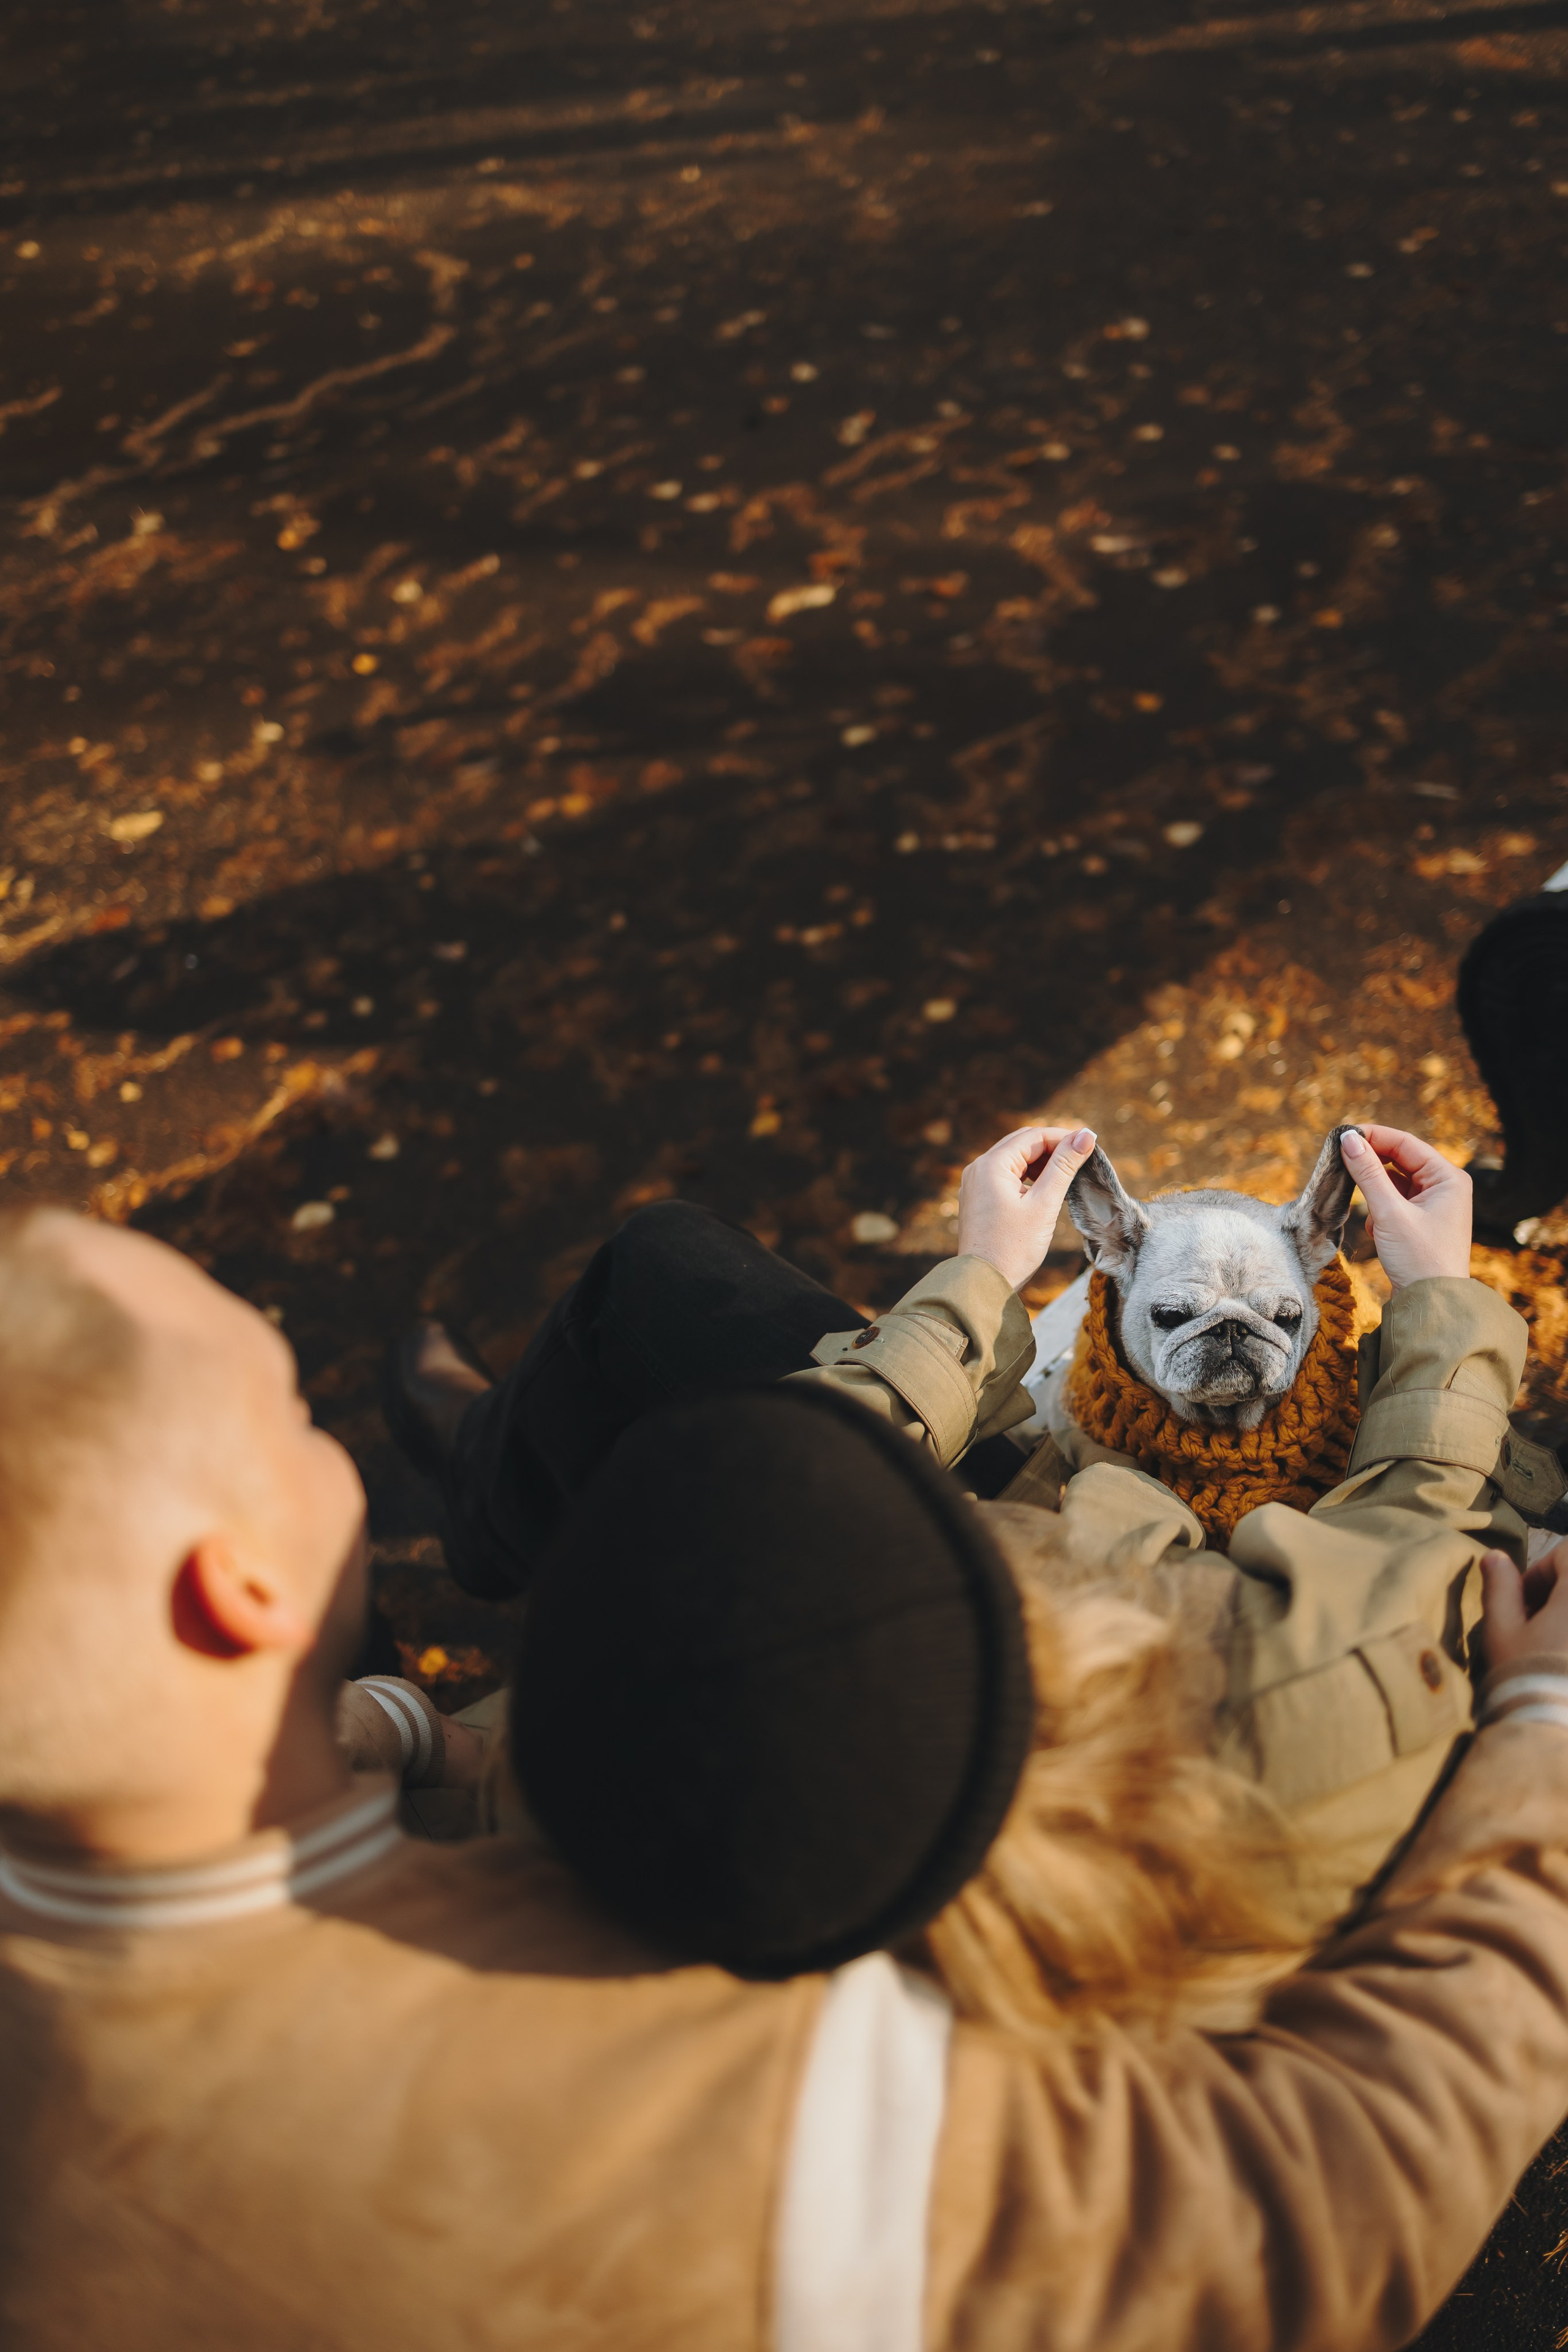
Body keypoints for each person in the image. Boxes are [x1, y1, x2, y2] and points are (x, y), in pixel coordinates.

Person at [4, 1188, 1568, 2351]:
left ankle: (494, 1476)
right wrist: (1543, 1737)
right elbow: (1324, 2187)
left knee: (652, 1280)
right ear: (239, 1587)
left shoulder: (480, 1822)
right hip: (1111, 1705)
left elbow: (596, 1710)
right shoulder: (796, 2132)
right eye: (287, 1415)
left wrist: (421, 1735)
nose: (306, 1433)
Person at [390, 1120, 1544, 1951]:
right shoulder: (1406, 1651)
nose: (1235, 1343)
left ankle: (491, 1503)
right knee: (662, 1280)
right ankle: (497, 1493)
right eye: (1190, 1318)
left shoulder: (785, 1740)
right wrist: (1442, 1306)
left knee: (661, 1270)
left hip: (997, 1576)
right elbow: (1414, 1527)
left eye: (1269, 1321)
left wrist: (983, 1275)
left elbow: (787, 1480)